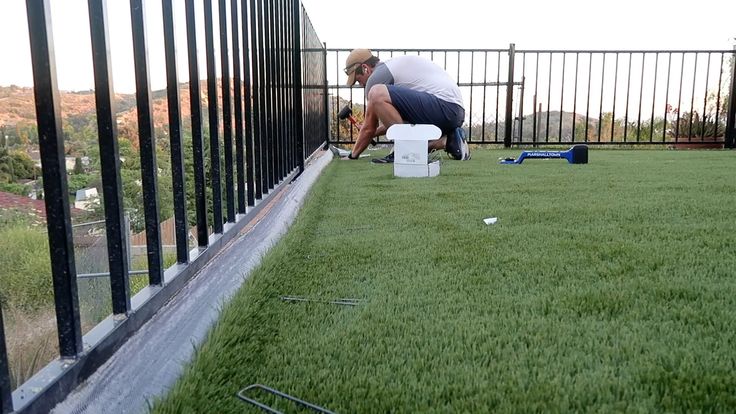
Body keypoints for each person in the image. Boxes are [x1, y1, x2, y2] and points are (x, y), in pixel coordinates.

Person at [342, 49, 470, 162]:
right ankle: (449, 141)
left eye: (358, 80)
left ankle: (406, 150)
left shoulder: (375, 79)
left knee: (376, 93)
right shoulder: (391, 69)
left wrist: (353, 155)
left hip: (443, 107)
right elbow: (396, 122)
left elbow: (369, 127)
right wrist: (372, 132)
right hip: (453, 113)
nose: (360, 85)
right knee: (403, 127)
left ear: (365, 68)